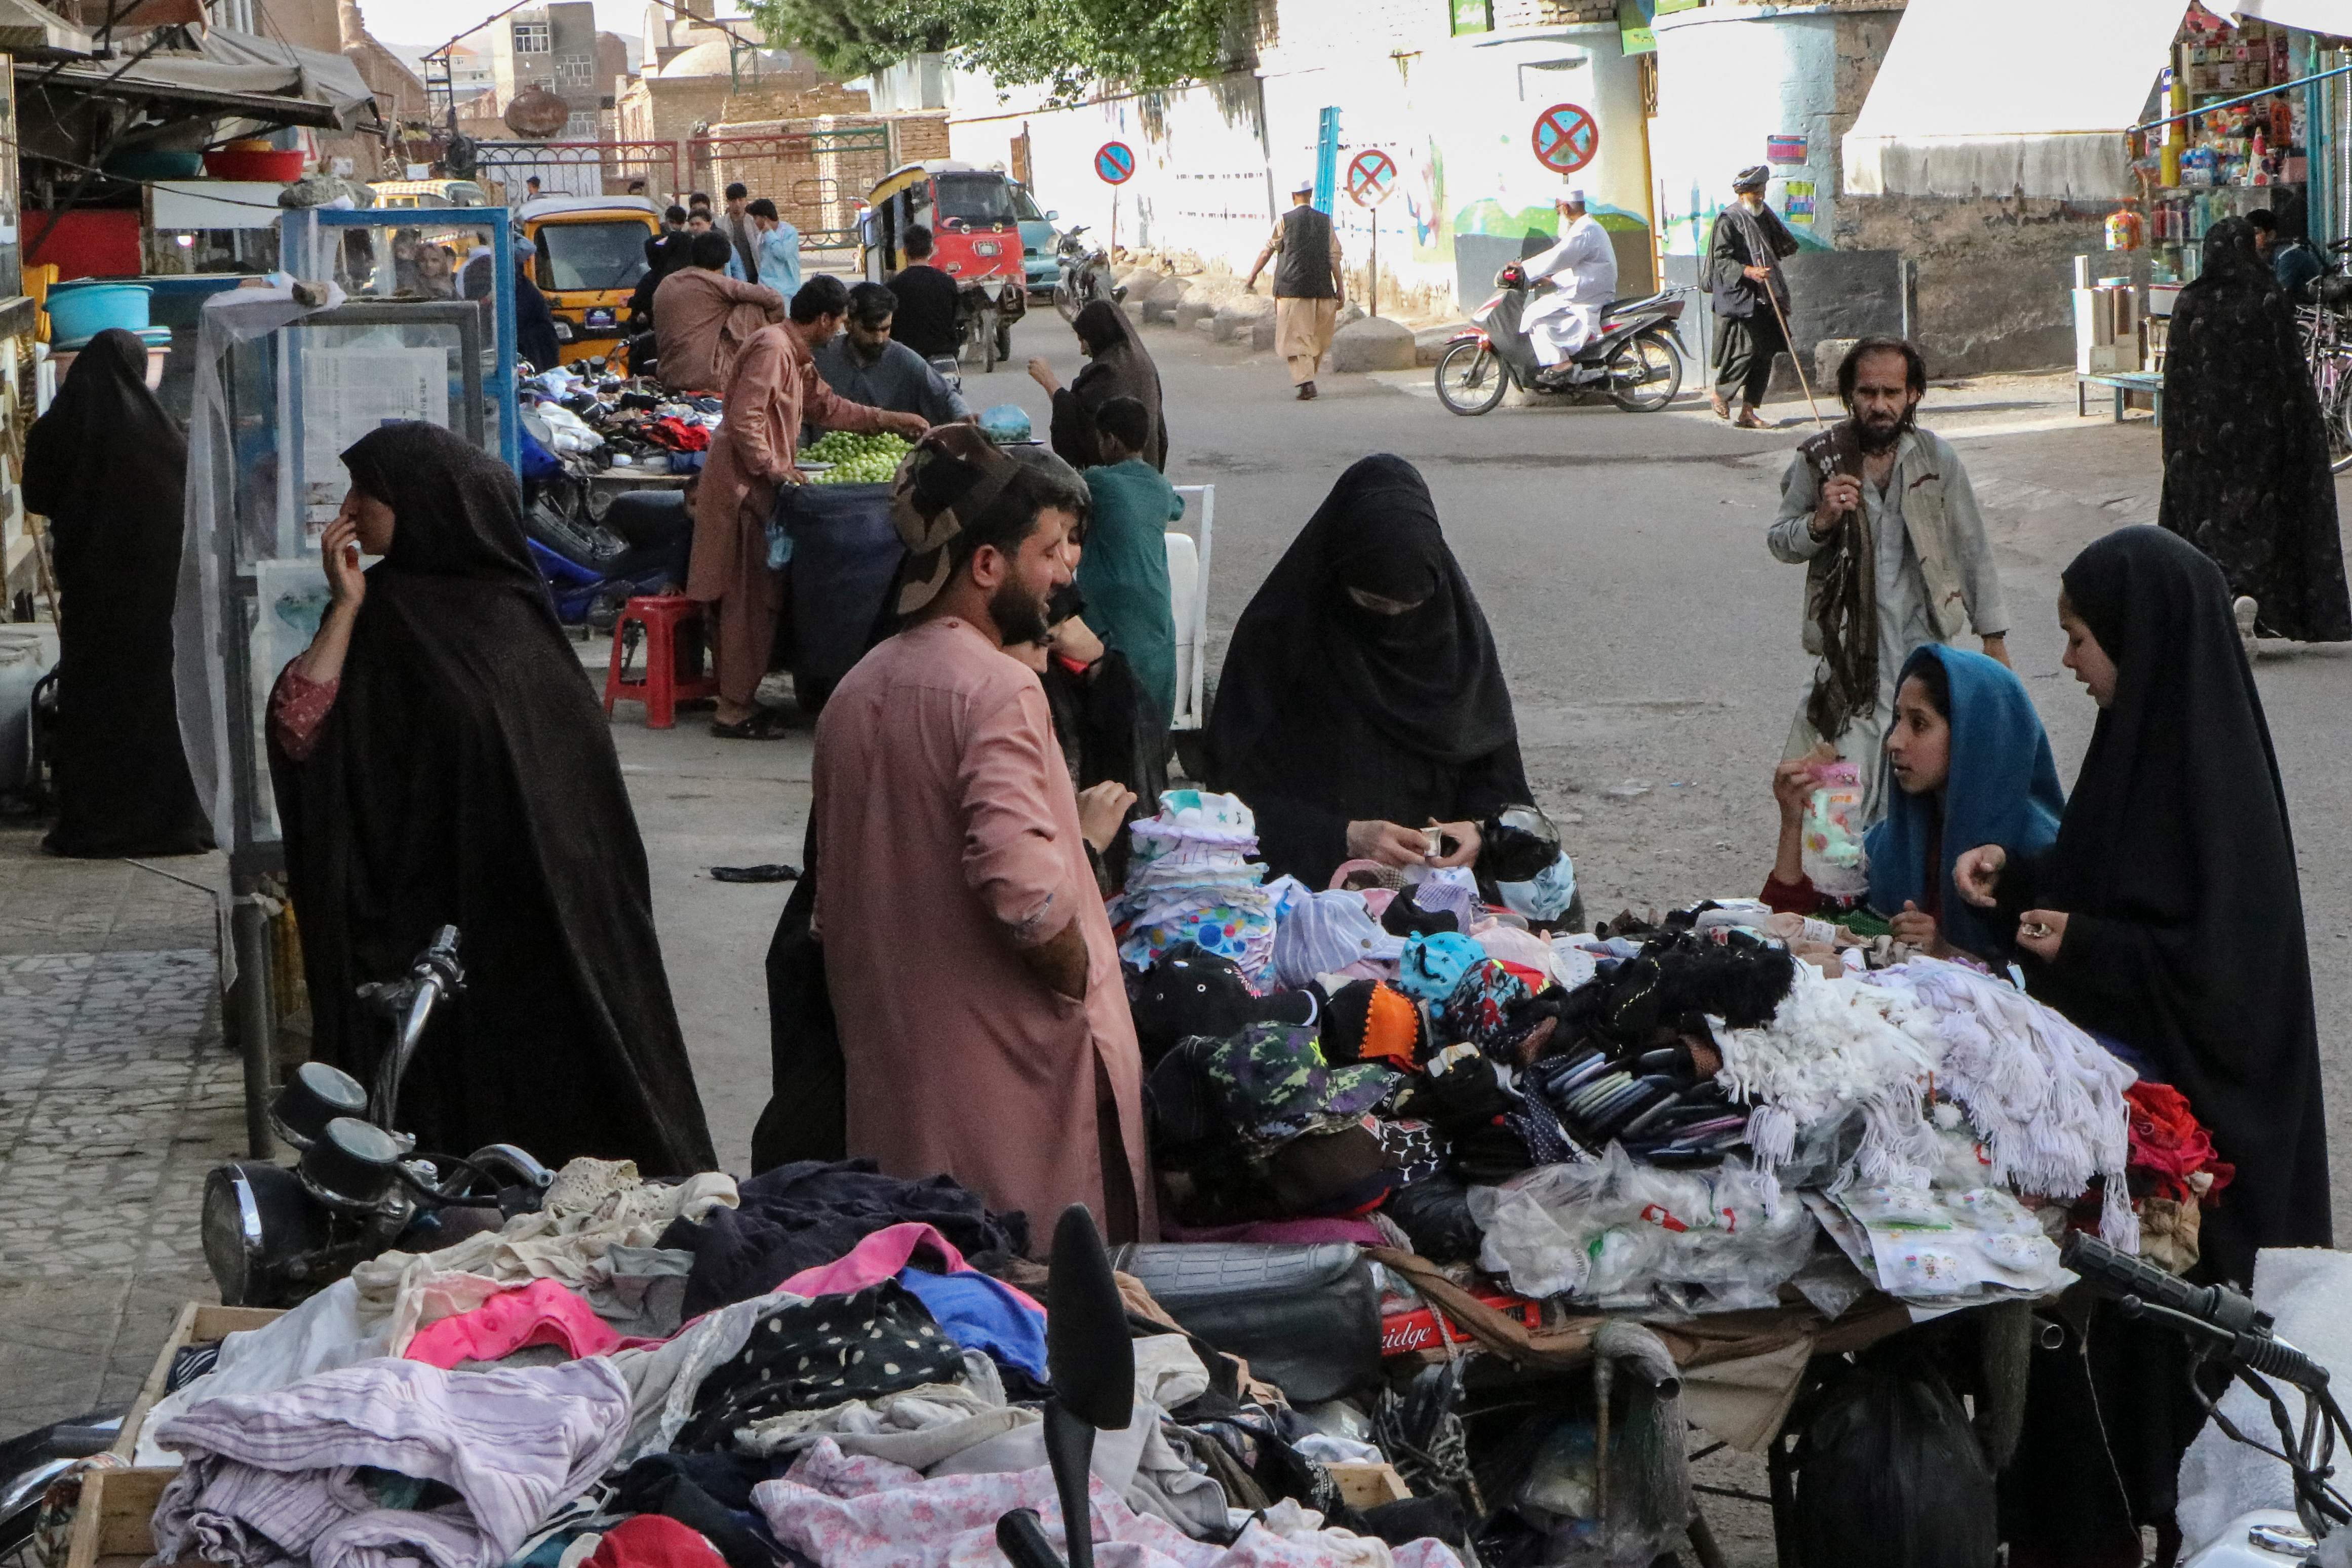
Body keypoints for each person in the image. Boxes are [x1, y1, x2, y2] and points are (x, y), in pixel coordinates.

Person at [1952, 527, 2331, 1565]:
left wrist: (2087, 941)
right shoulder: (2140, 745)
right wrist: (2027, 883)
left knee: (2173, 1350)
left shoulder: (2215, 787)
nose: (2068, 661)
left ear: (2138, 639)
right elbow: (2111, 885)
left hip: (2210, 1145)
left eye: (2079, 639)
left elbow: (2220, 973)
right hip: (2130, 1128)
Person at [266, 421, 715, 1174]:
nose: (349, 508)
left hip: (533, 919)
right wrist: (344, 606)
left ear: (421, 505)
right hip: (432, 917)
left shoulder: (515, 621)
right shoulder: (385, 617)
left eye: (365, 493)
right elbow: (301, 731)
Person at [809, 426, 1154, 1239]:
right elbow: (1027, 897)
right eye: (1050, 550)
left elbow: (833, 905)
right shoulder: (998, 689)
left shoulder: (856, 690)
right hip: (1019, 1097)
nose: (1066, 571)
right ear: (987, 566)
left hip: (901, 1098)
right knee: (1043, 1313)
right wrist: (1077, 982)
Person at [1203, 454, 1531, 889]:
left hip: (1443, 911)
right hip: (1306, 904)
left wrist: (1481, 833)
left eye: (1409, 609)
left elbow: (1501, 790)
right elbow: (1227, 808)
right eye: (1373, 605)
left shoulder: (1455, 643)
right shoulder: (1278, 640)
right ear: (1337, 575)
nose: (1393, 621)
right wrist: (1343, 837)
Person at [1770, 337, 2009, 823]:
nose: (1879, 406)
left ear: (1914, 395)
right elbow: (1780, 540)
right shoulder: (1819, 460)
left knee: (1917, 798)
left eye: (1892, 394)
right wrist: (1820, 520)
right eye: (1867, 393)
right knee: (1838, 808)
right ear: (1849, 396)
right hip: (1847, 668)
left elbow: (1972, 548)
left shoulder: (1937, 462)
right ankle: (1838, 895)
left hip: (1921, 653)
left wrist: (1994, 638)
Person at [689, 276, 927, 738]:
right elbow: (745, 420)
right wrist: (775, 468)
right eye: (838, 324)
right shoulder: (774, 349)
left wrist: (886, 421)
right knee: (746, 601)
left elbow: (827, 407)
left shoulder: (795, 355)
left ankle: (739, 697)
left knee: (759, 599)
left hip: (758, 488)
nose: (838, 333)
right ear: (824, 320)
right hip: (741, 491)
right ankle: (733, 710)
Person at [21, 328, 211, 858]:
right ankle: (173, 824)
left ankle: (99, 823)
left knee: (100, 706)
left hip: (96, 601)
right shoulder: (167, 435)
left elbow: (37, 495)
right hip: (163, 604)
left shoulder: (59, 430)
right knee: (159, 706)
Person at [1760, 644, 2062, 964]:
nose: (1893, 741)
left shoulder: (2040, 855)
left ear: (1972, 738)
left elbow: (2044, 987)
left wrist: (1948, 952)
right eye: (1898, 719)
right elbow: (1790, 923)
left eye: (1919, 724)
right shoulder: (1893, 842)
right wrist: (1792, 821)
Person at [2158, 215, 2352, 644]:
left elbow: (2175, 380)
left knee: (2208, 521)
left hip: (2201, 443)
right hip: (2260, 439)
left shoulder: (2190, 302)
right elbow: (2291, 374)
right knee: (2260, 522)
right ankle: (2254, 601)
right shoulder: (2267, 298)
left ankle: (2224, 599)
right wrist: (2301, 436)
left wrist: (2175, 444)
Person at [1008, 586, 1164, 894]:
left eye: (1075, 540)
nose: (1066, 566)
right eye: (1050, 551)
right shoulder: (999, 705)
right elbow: (1031, 906)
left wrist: (1098, 661)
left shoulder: (1072, 667)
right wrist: (1086, 842)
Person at [1073, 395, 1181, 722]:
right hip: (1155, 604)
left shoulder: (1098, 481)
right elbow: (1177, 508)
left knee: (1107, 686)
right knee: (1152, 686)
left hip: (1109, 605)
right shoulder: (1160, 486)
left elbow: (1066, 486)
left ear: (1112, 441)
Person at [1028, 298, 1168, 471]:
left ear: (1098, 335)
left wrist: (1049, 382)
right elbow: (1160, 436)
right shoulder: (1142, 364)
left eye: (1083, 340)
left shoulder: (1110, 371)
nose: (1082, 350)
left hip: (1116, 481)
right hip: (1149, 476)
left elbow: (1082, 428)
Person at [1707, 165, 1800, 426]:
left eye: (1762, 191)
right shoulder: (1729, 219)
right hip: (1740, 296)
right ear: (1743, 193)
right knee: (1746, 350)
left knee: (1766, 352)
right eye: (1755, 192)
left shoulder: (1763, 215)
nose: (1760, 197)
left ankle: (1748, 411)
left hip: (1767, 295)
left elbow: (1779, 242)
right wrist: (1749, 271)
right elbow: (1720, 260)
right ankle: (1721, 392)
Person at [810, 280, 970, 426]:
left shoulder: (905, 359)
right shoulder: (822, 357)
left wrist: (965, 418)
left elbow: (946, 395)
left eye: (885, 329)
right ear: (849, 324)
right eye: (870, 330)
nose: (879, 339)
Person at [1244, 177, 1344, 400]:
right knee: (1315, 339)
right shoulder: (1325, 221)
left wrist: (1252, 276)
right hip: (1322, 289)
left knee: (1294, 340)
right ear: (1310, 195)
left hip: (1291, 291)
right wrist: (1340, 288)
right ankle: (1307, 379)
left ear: (1293, 197)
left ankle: (1307, 382)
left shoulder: (1284, 221)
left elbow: (1267, 251)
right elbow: (1334, 257)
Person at [652, 230, 782, 393]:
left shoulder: (667, 283)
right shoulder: (717, 282)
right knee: (752, 307)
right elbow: (774, 298)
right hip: (709, 378)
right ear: (724, 263)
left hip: (669, 377)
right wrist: (779, 327)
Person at [1519, 184, 1616, 387]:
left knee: (1533, 315)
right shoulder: (1587, 228)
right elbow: (1577, 263)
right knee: (1542, 319)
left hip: (1586, 293)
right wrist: (1552, 279)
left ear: (1565, 208)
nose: (1558, 214)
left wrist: (1523, 268)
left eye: (1557, 209)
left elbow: (1561, 256)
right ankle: (1565, 362)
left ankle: (1562, 364)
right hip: (1586, 288)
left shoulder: (1585, 230)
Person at [887, 225, 961, 362]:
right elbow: (953, 320)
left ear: (905, 252)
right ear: (931, 251)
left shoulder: (893, 286)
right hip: (944, 355)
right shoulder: (948, 283)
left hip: (907, 357)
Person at [725, 197, 802, 302]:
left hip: (787, 291)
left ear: (765, 219)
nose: (755, 223)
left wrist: (770, 234)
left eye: (756, 218)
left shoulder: (789, 232)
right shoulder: (761, 235)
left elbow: (782, 254)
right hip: (766, 289)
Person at [720, 181, 760, 283]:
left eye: (741, 200)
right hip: (732, 276)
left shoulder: (755, 223)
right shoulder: (720, 224)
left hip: (756, 274)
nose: (737, 204)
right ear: (728, 202)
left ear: (746, 201)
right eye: (733, 201)